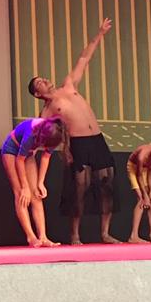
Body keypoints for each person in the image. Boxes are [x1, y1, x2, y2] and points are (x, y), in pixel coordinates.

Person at [29, 17, 120, 246]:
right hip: (79, 144)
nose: (45, 80)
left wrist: (99, 34)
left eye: (43, 78)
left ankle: (105, 233)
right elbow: (39, 139)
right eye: (40, 82)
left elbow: (84, 58)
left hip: (97, 140)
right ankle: (75, 235)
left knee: (107, 183)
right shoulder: (47, 110)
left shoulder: (69, 85)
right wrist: (36, 172)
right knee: (79, 188)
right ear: (37, 94)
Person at [0, 115, 66, 247]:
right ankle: (31, 237)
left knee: (36, 194)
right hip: (12, 150)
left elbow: (45, 158)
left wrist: (40, 182)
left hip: (28, 154)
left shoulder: (55, 134)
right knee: (21, 194)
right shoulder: (30, 133)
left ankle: (43, 237)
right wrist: (25, 187)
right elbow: (19, 160)